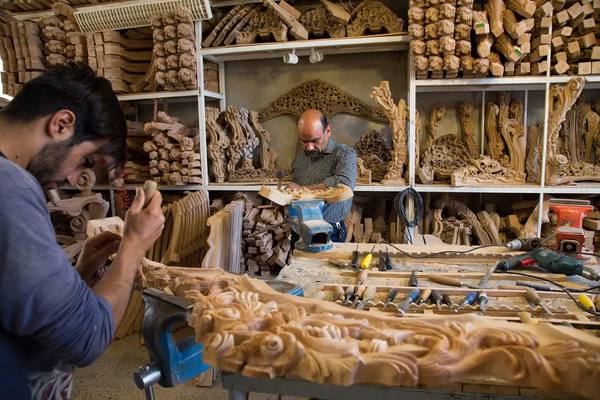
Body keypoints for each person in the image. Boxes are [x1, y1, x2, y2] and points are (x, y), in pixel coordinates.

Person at [0, 64, 165, 400]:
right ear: (62, 124)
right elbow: (86, 336)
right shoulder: (10, 187)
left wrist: (78, 276)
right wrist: (133, 247)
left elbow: (18, 300)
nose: (75, 179)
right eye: (86, 162)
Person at [290, 109, 357, 242]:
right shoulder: (301, 154)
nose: (309, 147)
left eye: (315, 140)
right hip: (298, 227)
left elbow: (344, 185)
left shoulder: (344, 154)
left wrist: (303, 190)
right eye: (304, 141)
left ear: (328, 131)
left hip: (328, 230)